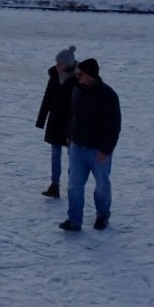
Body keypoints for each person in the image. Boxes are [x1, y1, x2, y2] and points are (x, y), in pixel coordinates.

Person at [60, 58, 121, 233]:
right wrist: (69, 134)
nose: (77, 77)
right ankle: (74, 220)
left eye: (81, 74)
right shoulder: (77, 91)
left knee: (102, 185)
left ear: (91, 75)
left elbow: (114, 126)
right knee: (74, 184)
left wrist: (106, 150)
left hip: (98, 150)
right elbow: (72, 114)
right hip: (77, 147)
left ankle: (102, 215)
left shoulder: (108, 96)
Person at [35, 46, 78, 198]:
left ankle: (74, 186)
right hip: (55, 122)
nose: (57, 66)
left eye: (60, 64)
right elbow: (47, 98)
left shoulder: (78, 79)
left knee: (73, 156)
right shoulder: (54, 76)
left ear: (68, 64)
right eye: (57, 63)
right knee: (55, 155)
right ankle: (55, 185)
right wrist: (41, 120)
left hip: (71, 124)